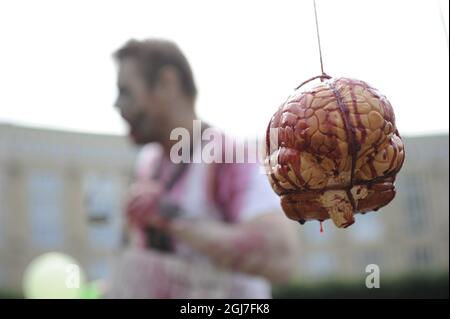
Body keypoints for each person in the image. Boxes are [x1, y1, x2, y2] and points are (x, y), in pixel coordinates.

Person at [107, 39, 299, 298]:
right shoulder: (149, 162)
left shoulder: (226, 156)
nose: (117, 105)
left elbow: (282, 258)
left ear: (167, 83)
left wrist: (168, 216)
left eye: (126, 91)